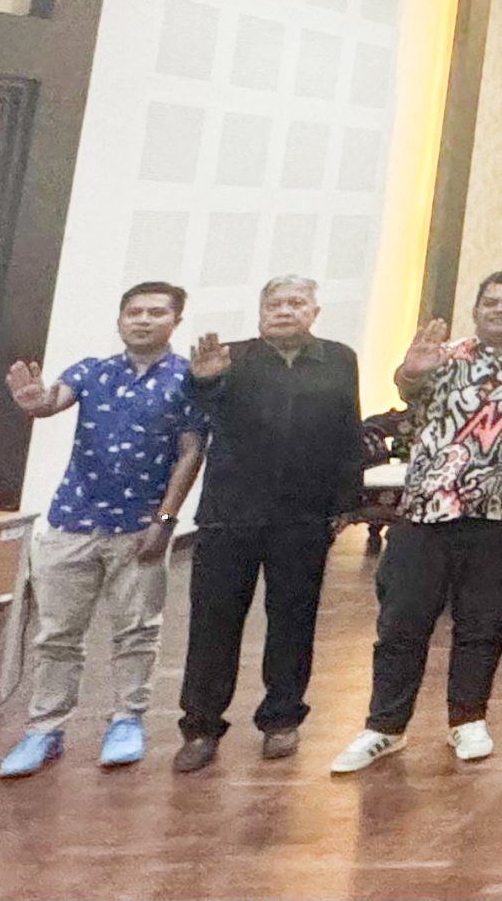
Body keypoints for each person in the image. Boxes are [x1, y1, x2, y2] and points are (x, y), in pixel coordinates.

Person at [330, 273, 502, 774]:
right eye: (490, 302)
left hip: (498, 516)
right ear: (476, 309)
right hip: (425, 512)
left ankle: (468, 718)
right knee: (402, 624)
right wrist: (410, 374)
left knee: (481, 624)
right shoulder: (443, 356)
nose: (499, 310)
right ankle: (384, 727)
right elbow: (409, 392)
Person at [0, 282, 208, 779]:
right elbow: (51, 401)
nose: (143, 320)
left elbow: (190, 452)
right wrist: (34, 402)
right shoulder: (91, 371)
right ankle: (45, 729)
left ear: (175, 322)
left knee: (136, 632)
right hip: (73, 521)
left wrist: (165, 520)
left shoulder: (188, 380)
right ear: (120, 320)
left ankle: (127, 719)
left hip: (139, 527)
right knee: (57, 635)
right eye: (133, 312)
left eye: (156, 312)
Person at [169, 277, 363, 773]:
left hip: (304, 513)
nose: (284, 310)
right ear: (260, 312)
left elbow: (349, 428)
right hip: (229, 512)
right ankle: (200, 726)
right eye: (274, 303)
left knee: (294, 620)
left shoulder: (340, 359)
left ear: (314, 312)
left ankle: (281, 719)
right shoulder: (229, 357)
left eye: (296, 303)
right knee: (213, 623)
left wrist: (347, 500)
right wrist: (205, 381)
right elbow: (199, 410)